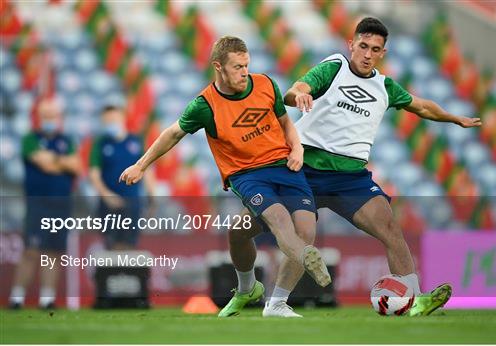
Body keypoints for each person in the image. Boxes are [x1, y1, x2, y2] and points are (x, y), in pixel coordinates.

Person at [229, 17, 482, 317]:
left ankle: (414, 300)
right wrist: (302, 95)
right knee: (241, 230)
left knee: (390, 227)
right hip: (303, 168)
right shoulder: (334, 67)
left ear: (382, 53)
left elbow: (422, 106)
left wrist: (455, 118)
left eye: (375, 49)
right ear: (352, 44)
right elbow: (293, 91)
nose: (367, 54)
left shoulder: (384, 86)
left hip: (350, 178)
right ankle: (250, 289)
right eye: (363, 46)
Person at [119, 36, 331, 317]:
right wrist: (141, 165)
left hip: (284, 166)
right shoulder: (205, 105)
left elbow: (285, 123)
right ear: (218, 66)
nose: (244, 72)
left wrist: (298, 148)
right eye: (237, 67)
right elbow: (172, 134)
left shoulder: (266, 84)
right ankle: (304, 259)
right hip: (247, 175)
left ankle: (271, 300)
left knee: (292, 229)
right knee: (280, 220)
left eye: (246, 65)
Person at [8, 98, 81, 309]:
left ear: (59, 118)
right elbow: (45, 165)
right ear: (39, 117)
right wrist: (63, 163)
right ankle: (17, 297)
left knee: (53, 252)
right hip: (37, 202)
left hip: (61, 204)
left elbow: (76, 167)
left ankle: (47, 298)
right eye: (46, 115)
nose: (50, 119)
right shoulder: (30, 139)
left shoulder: (67, 140)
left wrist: (56, 160)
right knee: (31, 250)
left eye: (53, 115)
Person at [89, 105, 154, 250]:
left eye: (113, 119)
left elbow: (147, 170)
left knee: (130, 245)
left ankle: (127, 273)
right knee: (112, 246)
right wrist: (106, 195)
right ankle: (114, 273)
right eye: (107, 121)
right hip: (109, 203)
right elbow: (94, 173)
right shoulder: (100, 143)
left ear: (122, 118)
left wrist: (152, 196)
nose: (110, 123)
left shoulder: (136, 141)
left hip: (133, 201)